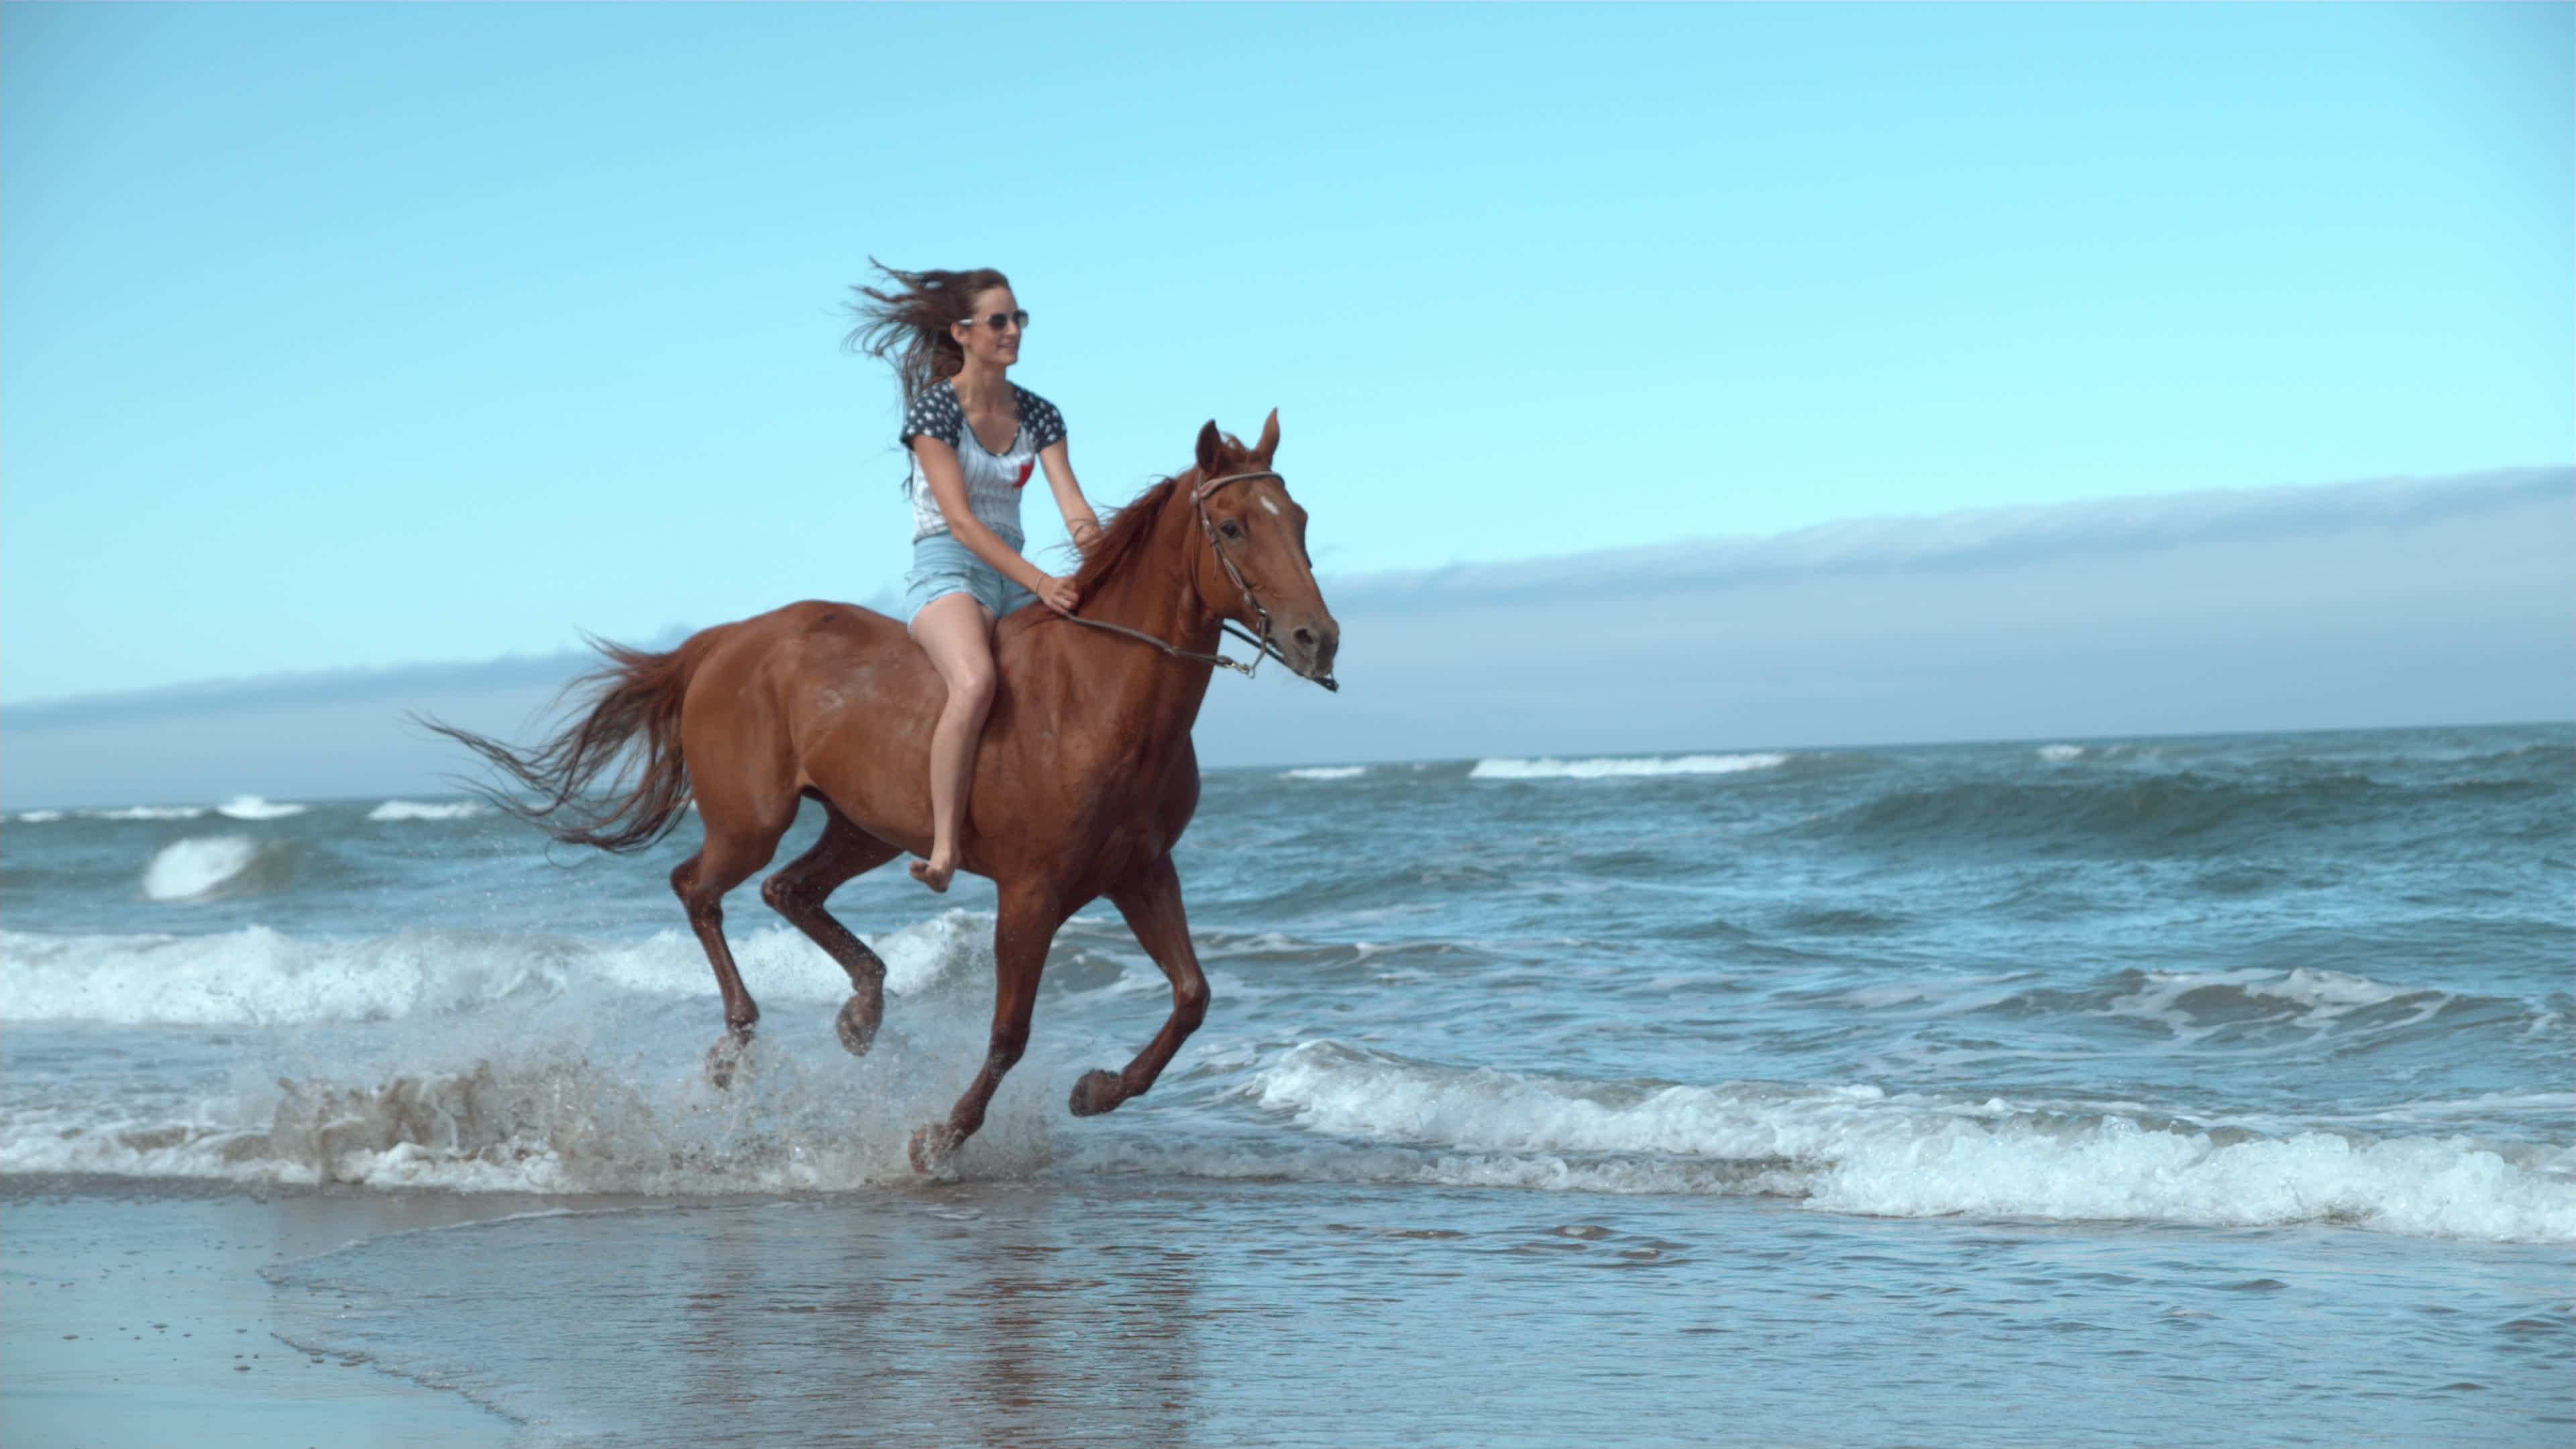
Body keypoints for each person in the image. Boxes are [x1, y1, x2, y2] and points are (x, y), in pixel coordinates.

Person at [847, 264, 1102, 892]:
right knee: (977, 681)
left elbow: (1073, 506)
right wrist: (1043, 584)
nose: (1013, 330)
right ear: (961, 333)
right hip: (948, 567)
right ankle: (944, 846)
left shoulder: (1040, 413)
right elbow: (960, 524)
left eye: (1019, 318)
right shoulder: (935, 409)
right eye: (999, 320)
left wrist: (1104, 558)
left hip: (1013, 572)